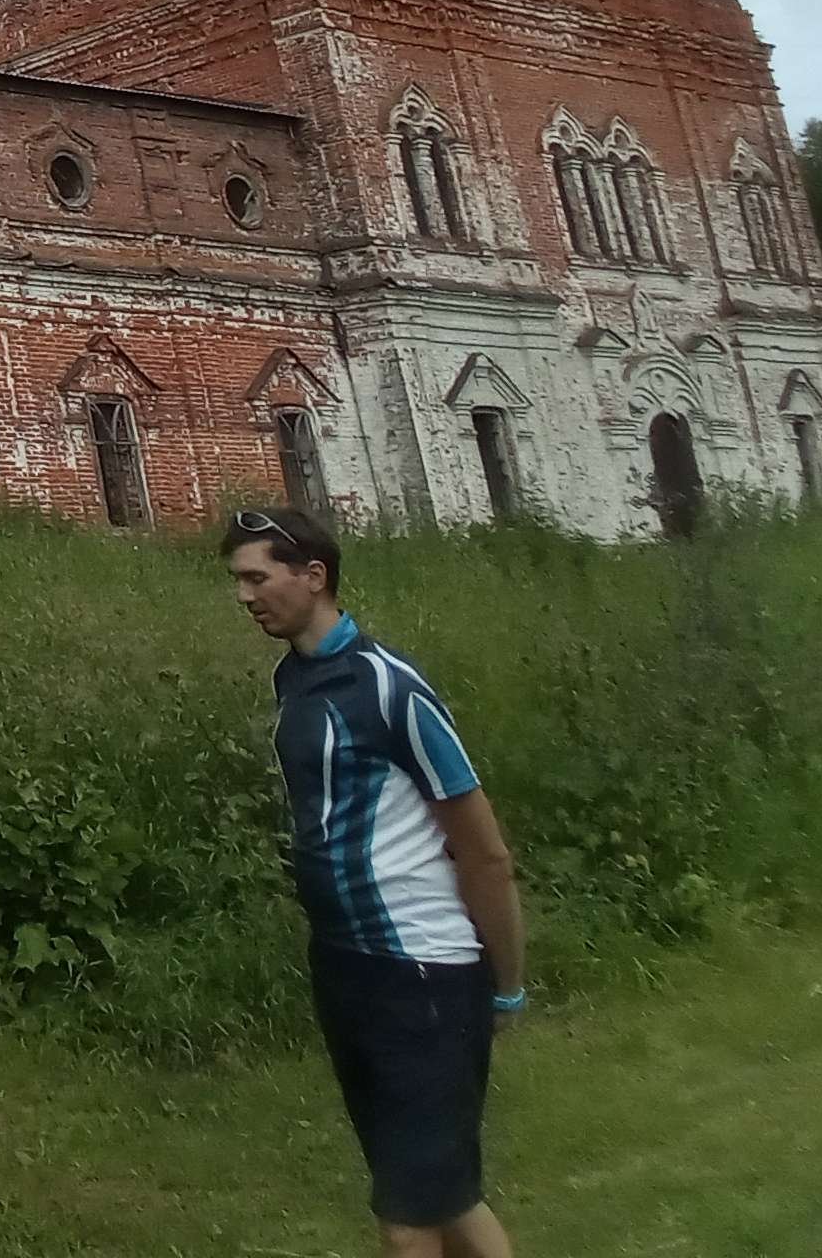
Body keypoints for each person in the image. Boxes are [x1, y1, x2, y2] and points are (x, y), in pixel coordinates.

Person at [222, 506, 525, 1258]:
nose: (244, 596)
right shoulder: (293, 678)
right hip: (345, 963)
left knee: (409, 1219)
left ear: (313, 575)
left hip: (421, 970)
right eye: (237, 581)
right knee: (435, 1191)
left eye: (257, 578)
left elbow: (484, 852)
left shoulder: (391, 688)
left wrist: (507, 985)